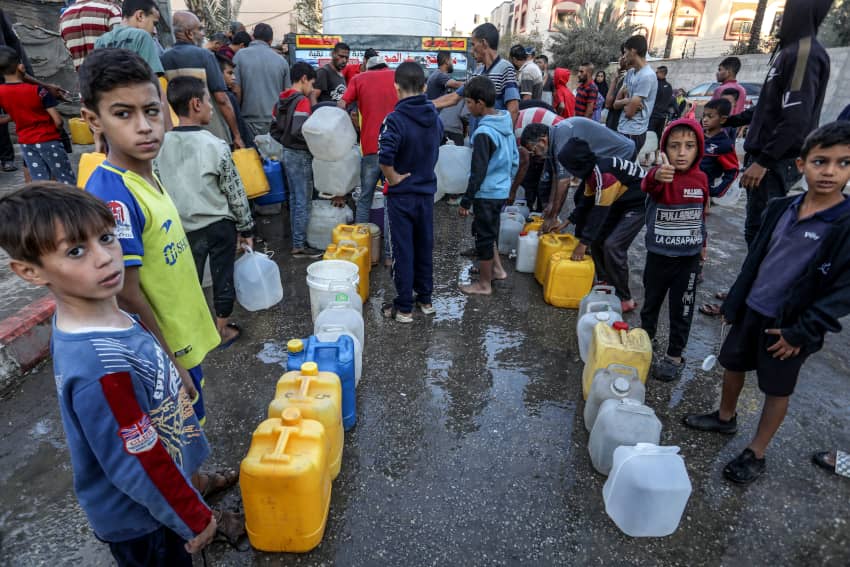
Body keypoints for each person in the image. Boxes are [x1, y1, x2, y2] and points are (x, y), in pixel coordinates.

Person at [0, 184, 216, 566]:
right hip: (145, 521)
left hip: (163, 496)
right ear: (30, 271)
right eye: (76, 251)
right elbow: (141, 462)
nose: (105, 258)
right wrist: (195, 519)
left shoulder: (105, 314)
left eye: (107, 237)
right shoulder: (102, 369)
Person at [684, 121, 850, 485]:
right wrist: (735, 301)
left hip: (789, 325)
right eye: (821, 161)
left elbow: (841, 292)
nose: (831, 172)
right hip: (752, 308)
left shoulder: (844, 224)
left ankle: (756, 452)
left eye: (843, 163)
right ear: (802, 164)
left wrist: (801, 332)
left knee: (777, 388)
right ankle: (725, 417)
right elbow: (756, 258)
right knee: (733, 364)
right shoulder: (781, 207)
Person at [79, 48, 221, 426]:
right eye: (123, 114)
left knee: (191, 424)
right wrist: (171, 364)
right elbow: (126, 292)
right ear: (93, 119)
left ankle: (196, 478)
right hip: (165, 350)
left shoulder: (146, 175)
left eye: (151, 111)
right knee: (179, 430)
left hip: (181, 333)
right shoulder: (114, 194)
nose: (144, 126)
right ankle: (193, 483)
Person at [153, 76, 255, 349]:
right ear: (196, 104)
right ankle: (221, 330)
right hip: (218, 225)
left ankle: (191, 334)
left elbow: (157, 189)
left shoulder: (160, 147)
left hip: (181, 227)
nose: (211, 107)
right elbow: (235, 192)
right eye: (208, 101)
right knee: (223, 275)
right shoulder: (215, 146)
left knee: (188, 279)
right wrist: (246, 229)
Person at [724, 0, 832, 248]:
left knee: (763, 231)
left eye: (786, 13)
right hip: (767, 158)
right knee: (756, 229)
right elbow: (767, 109)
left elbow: (796, 119)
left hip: (775, 162)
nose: (780, 20)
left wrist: (764, 161)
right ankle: (749, 285)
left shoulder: (804, 54)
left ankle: (757, 286)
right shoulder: (790, 52)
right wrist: (729, 121)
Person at [639, 119, 709, 382]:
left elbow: (702, 213)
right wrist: (657, 175)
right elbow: (649, 185)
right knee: (651, 304)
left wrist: (703, 245)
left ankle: (675, 355)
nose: (681, 152)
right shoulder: (660, 174)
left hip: (688, 261)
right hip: (658, 257)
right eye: (675, 146)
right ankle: (644, 340)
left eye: (689, 146)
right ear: (664, 150)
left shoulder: (701, 178)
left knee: (683, 309)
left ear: (698, 149)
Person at [378, 62, 443, 321]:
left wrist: (392, 177)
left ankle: (404, 307)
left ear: (396, 87)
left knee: (403, 250)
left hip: (401, 196)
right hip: (426, 194)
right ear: (425, 87)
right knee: (423, 246)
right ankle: (425, 300)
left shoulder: (395, 119)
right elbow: (437, 144)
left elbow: (384, 156)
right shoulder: (434, 117)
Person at [558, 138, 646, 313]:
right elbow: (586, 202)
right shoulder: (593, 171)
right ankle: (606, 281)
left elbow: (600, 212)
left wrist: (582, 244)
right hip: (621, 200)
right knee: (597, 238)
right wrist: (568, 221)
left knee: (613, 245)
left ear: (576, 165)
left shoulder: (604, 175)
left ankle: (625, 298)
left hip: (639, 203)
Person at [456, 76, 518, 296]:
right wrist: (506, 183)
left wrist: (467, 199)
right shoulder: (505, 122)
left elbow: (478, 172)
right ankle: (498, 270)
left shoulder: (483, 133)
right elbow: (515, 158)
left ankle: (484, 284)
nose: (467, 107)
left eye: (469, 103)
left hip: (487, 192)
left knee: (483, 237)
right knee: (490, 232)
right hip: (500, 189)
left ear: (480, 103)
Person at [519, 118, 636, 233]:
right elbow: (557, 175)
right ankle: (583, 237)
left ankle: (590, 242)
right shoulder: (554, 137)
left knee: (599, 204)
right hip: (601, 160)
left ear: (542, 141)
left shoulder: (560, 139)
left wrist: (553, 216)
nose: (534, 155)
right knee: (581, 198)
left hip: (621, 154)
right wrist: (550, 205)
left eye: (533, 150)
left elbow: (564, 181)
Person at [161, 11, 244, 148]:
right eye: (199, 29)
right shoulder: (205, 56)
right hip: (211, 130)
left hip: (179, 133)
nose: (203, 34)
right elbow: (222, 99)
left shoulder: (164, 58)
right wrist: (236, 135)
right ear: (189, 33)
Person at [270, 62, 323, 258]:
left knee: (294, 198)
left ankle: (296, 240)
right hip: (300, 155)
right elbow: (300, 130)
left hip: (287, 153)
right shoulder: (301, 100)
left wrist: (285, 141)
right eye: (311, 83)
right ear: (303, 79)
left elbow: (273, 129)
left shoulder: (281, 99)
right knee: (303, 200)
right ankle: (300, 244)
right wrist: (313, 145)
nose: (312, 88)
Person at [0, 47, 75, 185]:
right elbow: (58, 121)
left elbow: (13, 114)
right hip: (49, 140)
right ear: (21, 67)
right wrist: (58, 131)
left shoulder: (1, 92)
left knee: (40, 181)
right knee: (65, 179)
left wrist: (16, 116)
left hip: (26, 143)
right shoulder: (39, 91)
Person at [93, 0, 172, 132]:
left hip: (113, 117)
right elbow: (154, 84)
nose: (154, 31)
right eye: (154, 23)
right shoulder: (142, 36)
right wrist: (168, 127)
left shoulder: (101, 41)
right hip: (139, 115)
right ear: (140, 16)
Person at [340, 55, 398, 224]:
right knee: (393, 199)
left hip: (371, 148)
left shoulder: (359, 78)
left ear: (367, 67)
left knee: (365, 198)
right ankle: (390, 248)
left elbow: (342, 104)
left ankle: (362, 243)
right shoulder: (396, 76)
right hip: (395, 148)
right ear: (385, 65)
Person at [434, 23, 519, 131]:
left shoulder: (505, 68)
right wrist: (427, 104)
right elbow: (454, 97)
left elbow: (513, 109)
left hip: (493, 141)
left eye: (473, 44)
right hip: (477, 139)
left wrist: (503, 139)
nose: (471, 50)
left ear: (483, 43)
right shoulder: (477, 73)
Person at [233, 23, 290, 138]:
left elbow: (236, 90)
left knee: (250, 155)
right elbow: (287, 94)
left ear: (253, 37)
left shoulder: (240, 56)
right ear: (271, 40)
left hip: (248, 121)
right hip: (274, 122)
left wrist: (236, 116)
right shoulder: (281, 61)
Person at [612, 35, 657, 159]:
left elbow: (629, 112)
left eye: (625, 52)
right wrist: (628, 101)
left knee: (623, 172)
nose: (624, 56)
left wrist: (626, 103)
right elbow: (615, 104)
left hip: (633, 133)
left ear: (633, 51)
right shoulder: (631, 73)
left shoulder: (647, 76)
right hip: (622, 129)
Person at [59, 0, 122, 70]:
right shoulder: (112, 11)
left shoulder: (64, 16)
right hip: (112, 77)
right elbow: (124, 51)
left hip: (83, 78)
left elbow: (69, 53)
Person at [700, 98, 739, 199]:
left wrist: (717, 191)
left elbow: (732, 171)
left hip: (700, 191)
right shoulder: (696, 136)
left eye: (710, 116)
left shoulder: (724, 145)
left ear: (723, 119)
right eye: (704, 115)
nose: (705, 119)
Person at [216, 53, 254, 148]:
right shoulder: (228, 97)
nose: (234, 77)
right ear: (218, 73)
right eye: (229, 73)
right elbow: (241, 127)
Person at [648, 65, 674, 164]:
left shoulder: (655, 84)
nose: (655, 74)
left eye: (657, 72)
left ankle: (648, 159)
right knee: (658, 137)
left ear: (662, 73)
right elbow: (671, 101)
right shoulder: (669, 86)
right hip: (662, 116)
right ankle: (655, 158)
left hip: (653, 115)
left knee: (650, 136)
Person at [604, 50, 628, 133]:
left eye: (622, 55)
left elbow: (608, 103)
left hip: (617, 127)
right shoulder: (621, 78)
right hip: (611, 124)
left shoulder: (626, 80)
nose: (620, 59)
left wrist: (614, 79)